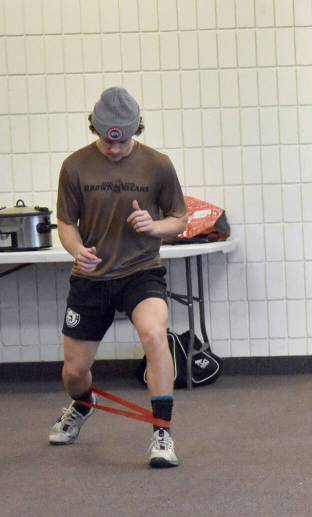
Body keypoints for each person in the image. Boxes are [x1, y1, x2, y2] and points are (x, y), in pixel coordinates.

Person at [49, 87, 188, 468]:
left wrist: (154, 226)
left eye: (122, 141)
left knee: (155, 335)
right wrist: (76, 249)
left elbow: (179, 219)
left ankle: (162, 432)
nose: (114, 149)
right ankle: (82, 404)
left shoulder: (158, 165)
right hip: (91, 276)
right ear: (95, 128)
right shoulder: (75, 166)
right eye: (107, 140)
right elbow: (66, 222)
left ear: (135, 130)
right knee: (75, 372)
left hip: (141, 271)